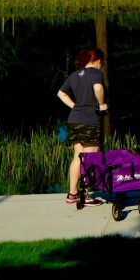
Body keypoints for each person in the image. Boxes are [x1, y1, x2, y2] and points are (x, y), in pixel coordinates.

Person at [57, 48, 108, 206]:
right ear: (96, 59)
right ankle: (86, 195)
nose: (102, 65)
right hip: (90, 121)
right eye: (102, 62)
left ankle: (72, 193)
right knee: (89, 158)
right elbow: (98, 88)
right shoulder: (96, 73)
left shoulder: (74, 75)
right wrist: (101, 104)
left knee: (78, 156)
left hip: (74, 120)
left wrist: (75, 106)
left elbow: (60, 93)